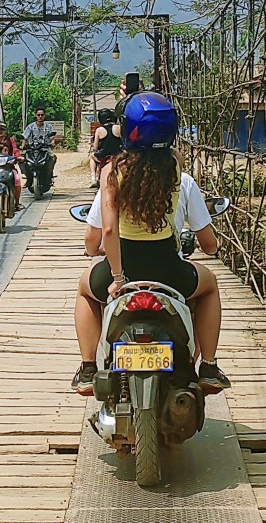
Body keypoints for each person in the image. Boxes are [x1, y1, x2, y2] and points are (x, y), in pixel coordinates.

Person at [71, 91, 228, 395]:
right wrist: (211, 245)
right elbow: (210, 245)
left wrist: (118, 279)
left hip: (123, 274)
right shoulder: (177, 173)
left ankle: (89, 367)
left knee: (84, 290)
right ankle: (207, 366)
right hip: (170, 274)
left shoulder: (112, 173)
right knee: (209, 285)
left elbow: (107, 233)